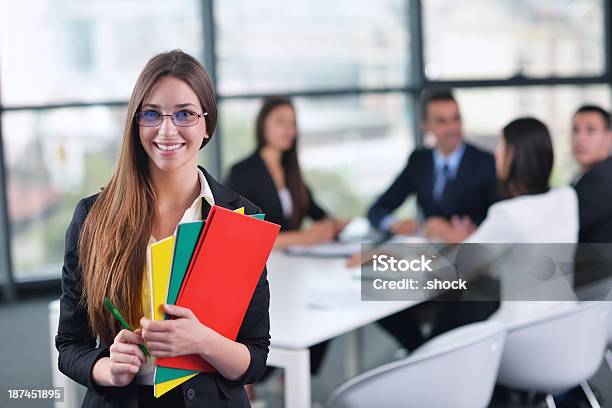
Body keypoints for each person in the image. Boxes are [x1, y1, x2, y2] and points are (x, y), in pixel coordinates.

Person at [55, 50, 270, 407]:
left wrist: (201, 340)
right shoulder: (93, 218)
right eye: (152, 114)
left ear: (207, 125)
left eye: (185, 114)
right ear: (137, 122)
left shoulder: (241, 217)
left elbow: (255, 357)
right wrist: (105, 368)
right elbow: (69, 345)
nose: (166, 130)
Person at [443, 118, 579, 325]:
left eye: (500, 147)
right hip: (566, 320)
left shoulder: (508, 214)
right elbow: (524, 257)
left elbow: (452, 269)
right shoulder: (567, 197)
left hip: (523, 328)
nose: (496, 155)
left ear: (512, 155)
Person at [367, 87, 498, 238]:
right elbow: (377, 209)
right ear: (426, 126)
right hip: (428, 255)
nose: (452, 128)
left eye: (456, 119)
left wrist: (476, 230)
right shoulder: (419, 161)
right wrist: (393, 224)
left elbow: (502, 218)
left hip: (473, 253)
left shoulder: (486, 162)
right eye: (442, 121)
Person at [227, 96, 347, 249]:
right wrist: (304, 237)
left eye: (293, 123)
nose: (289, 130)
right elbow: (241, 234)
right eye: (280, 122)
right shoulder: (241, 172)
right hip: (262, 263)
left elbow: (316, 212)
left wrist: (333, 225)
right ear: (263, 125)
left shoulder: (291, 170)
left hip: (293, 262)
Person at [571, 105, 612, 287]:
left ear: (609, 137)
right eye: (575, 130)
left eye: (591, 130)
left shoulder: (601, 180)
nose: (580, 138)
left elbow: (563, 226)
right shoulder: (587, 176)